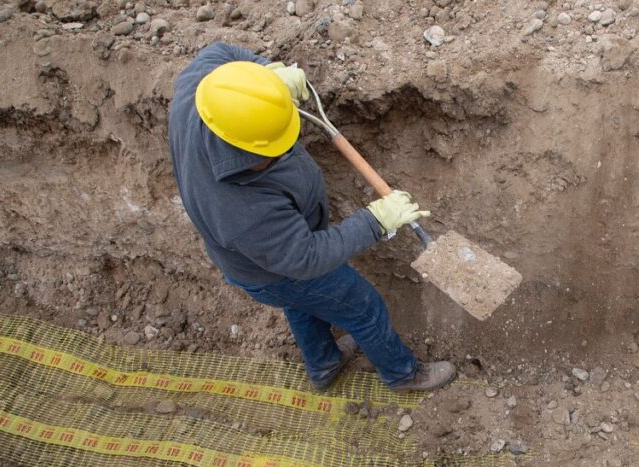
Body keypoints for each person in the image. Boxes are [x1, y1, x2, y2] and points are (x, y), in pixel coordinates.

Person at [167, 42, 456, 392]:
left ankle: (324, 363)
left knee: (302, 302)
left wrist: (267, 76)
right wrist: (375, 221)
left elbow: (219, 50)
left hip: (274, 260)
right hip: (273, 271)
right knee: (361, 306)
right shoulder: (240, 208)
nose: (288, 146)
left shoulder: (203, 94)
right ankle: (402, 374)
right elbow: (305, 258)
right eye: (275, 150)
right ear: (244, 148)